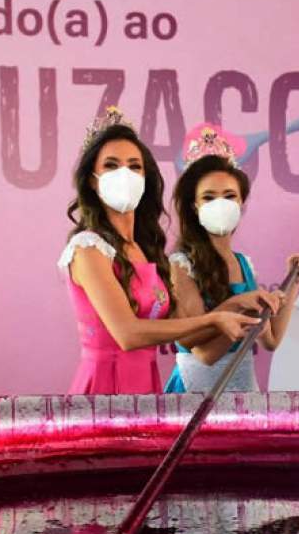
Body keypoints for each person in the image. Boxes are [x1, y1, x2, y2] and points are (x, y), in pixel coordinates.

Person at [59, 107, 259, 394]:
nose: (124, 174)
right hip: (105, 391)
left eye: (134, 166)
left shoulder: (146, 251)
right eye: (111, 166)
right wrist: (215, 318)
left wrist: (237, 305)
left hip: (147, 386)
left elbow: (186, 335)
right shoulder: (88, 248)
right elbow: (128, 334)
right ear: (92, 179)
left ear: (145, 177)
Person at [164, 124, 299, 393]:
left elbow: (271, 339)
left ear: (241, 203)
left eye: (229, 195)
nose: (220, 203)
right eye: (209, 197)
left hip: (242, 389)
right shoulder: (181, 265)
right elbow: (201, 351)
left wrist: (293, 283)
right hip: (196, 391)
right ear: (195, 206)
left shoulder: (244, 264)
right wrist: (241, 306)